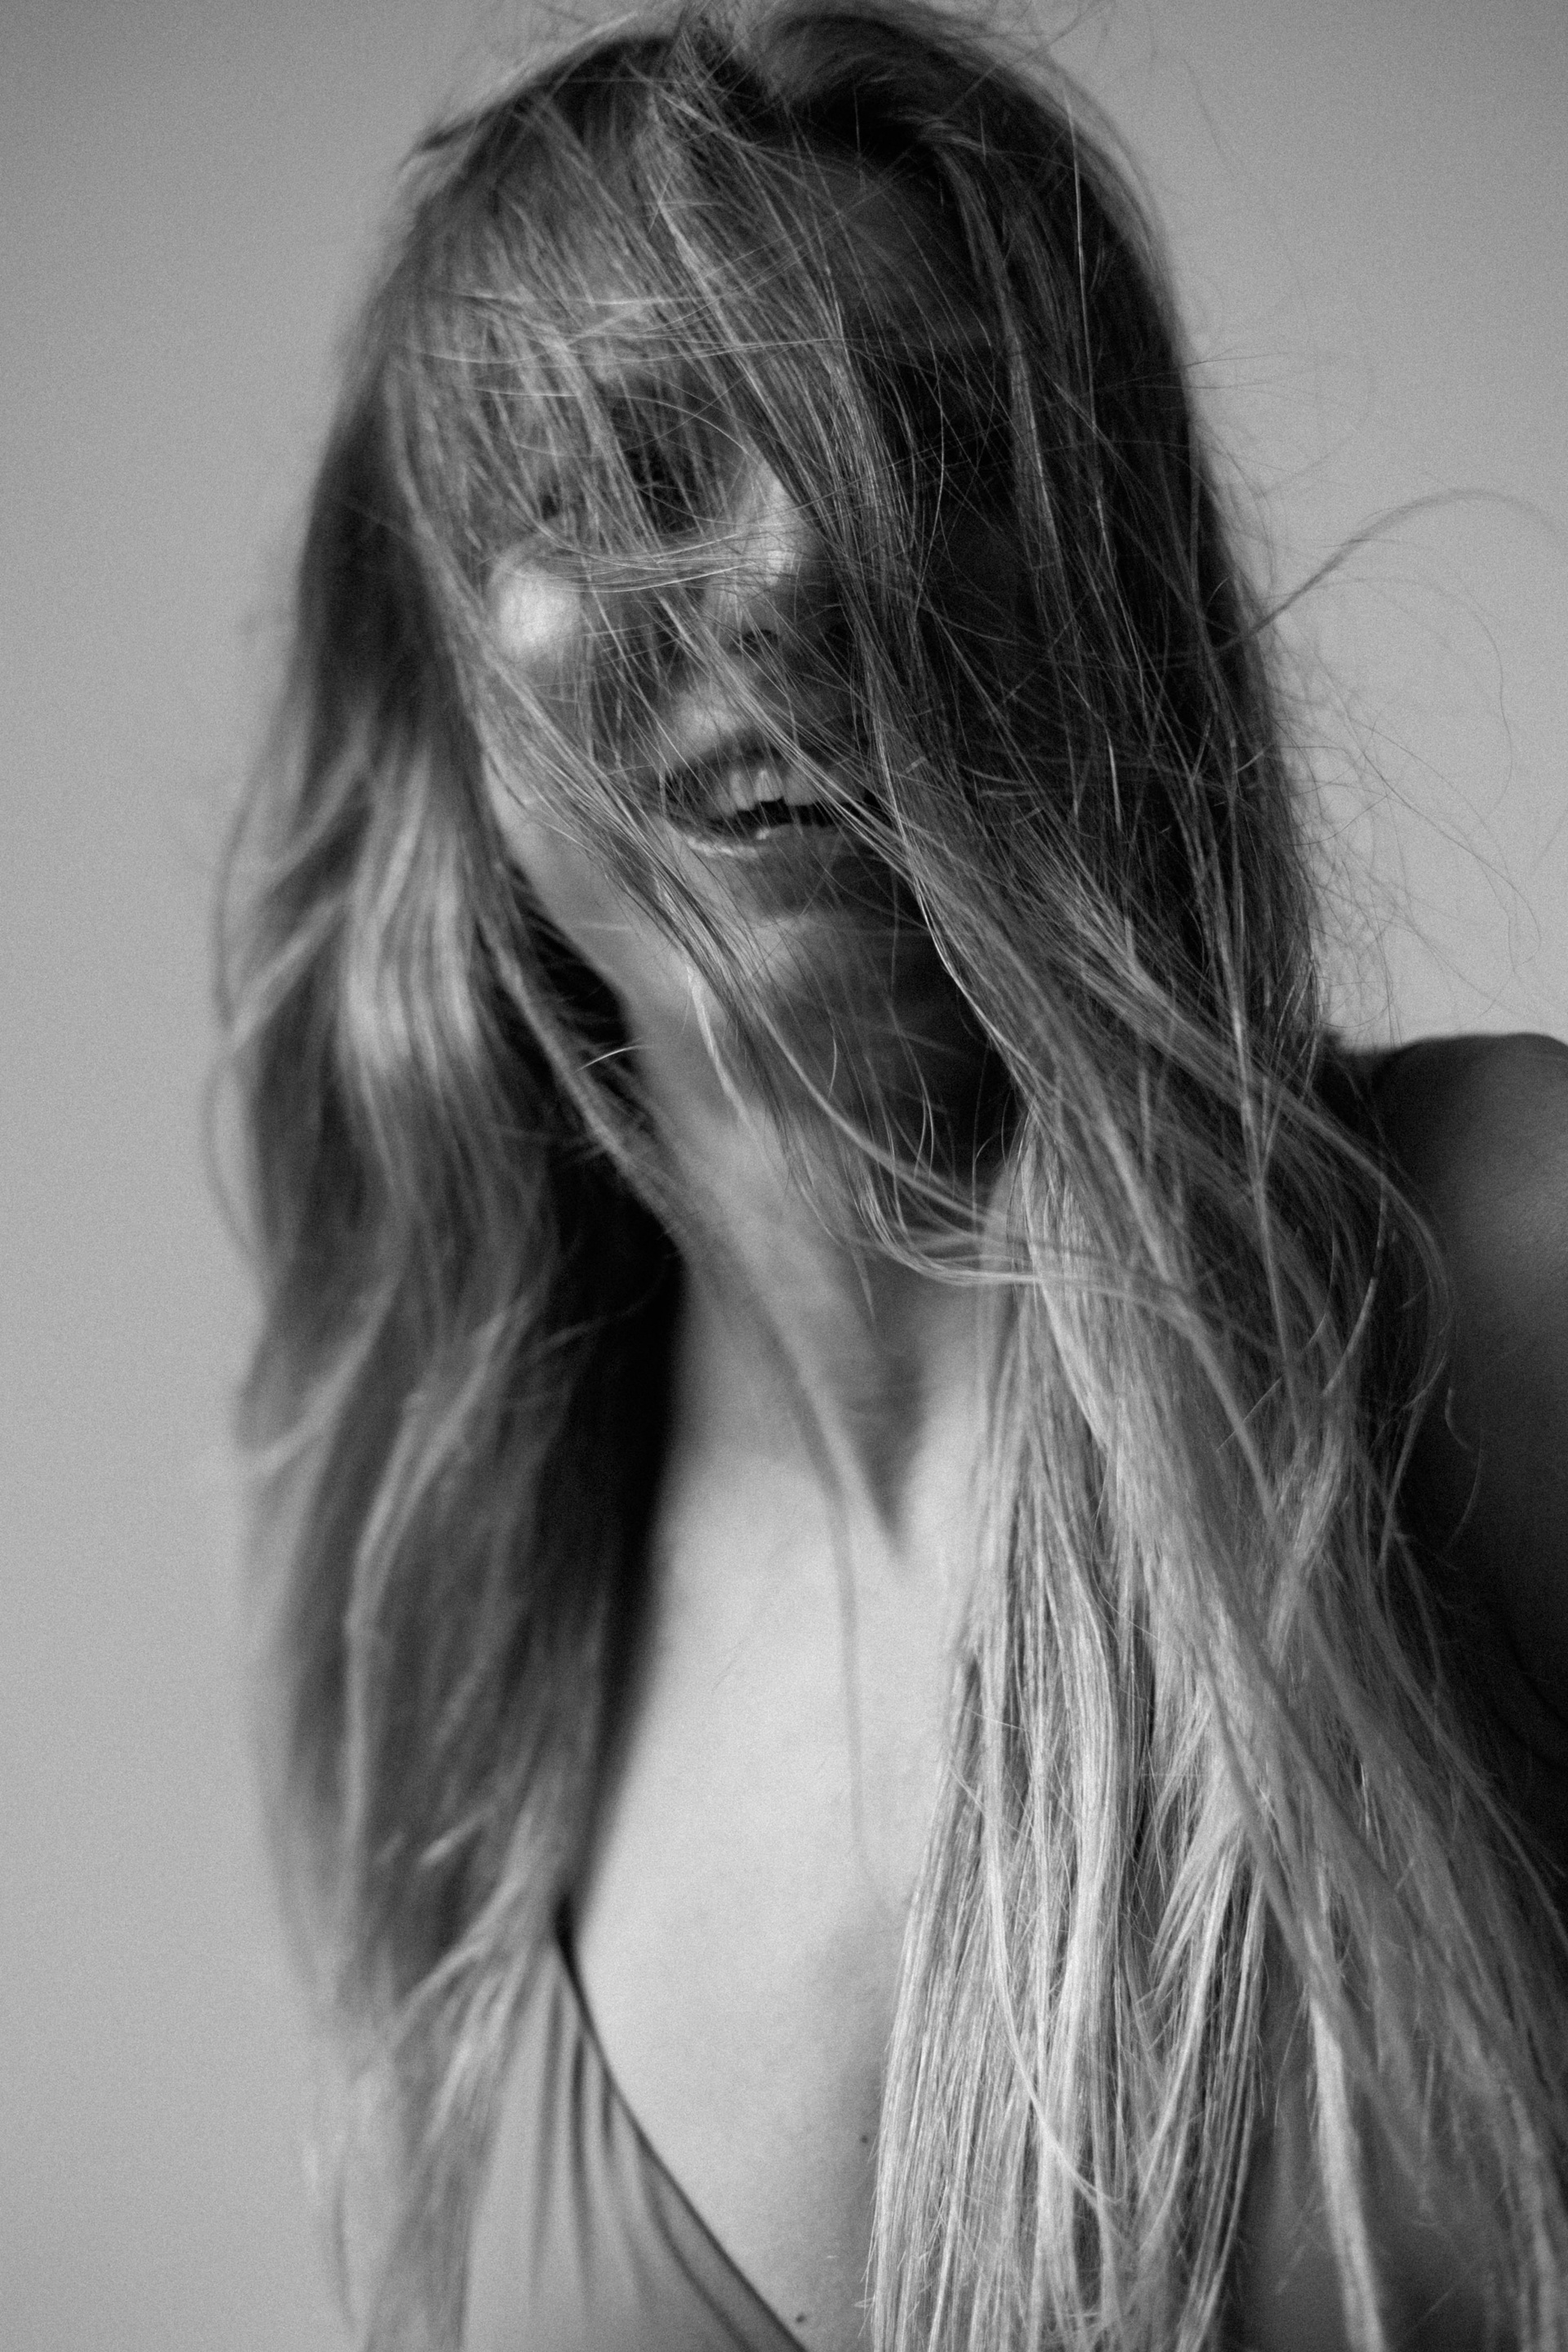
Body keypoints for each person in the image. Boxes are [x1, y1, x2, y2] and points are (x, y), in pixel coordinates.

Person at [221, 5, 1568, 2347]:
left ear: (1102, 582)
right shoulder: (456, 1623)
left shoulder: (1490, 1260)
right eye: (631, 467)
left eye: (931, 439)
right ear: (439, 672)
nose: (793, 562)